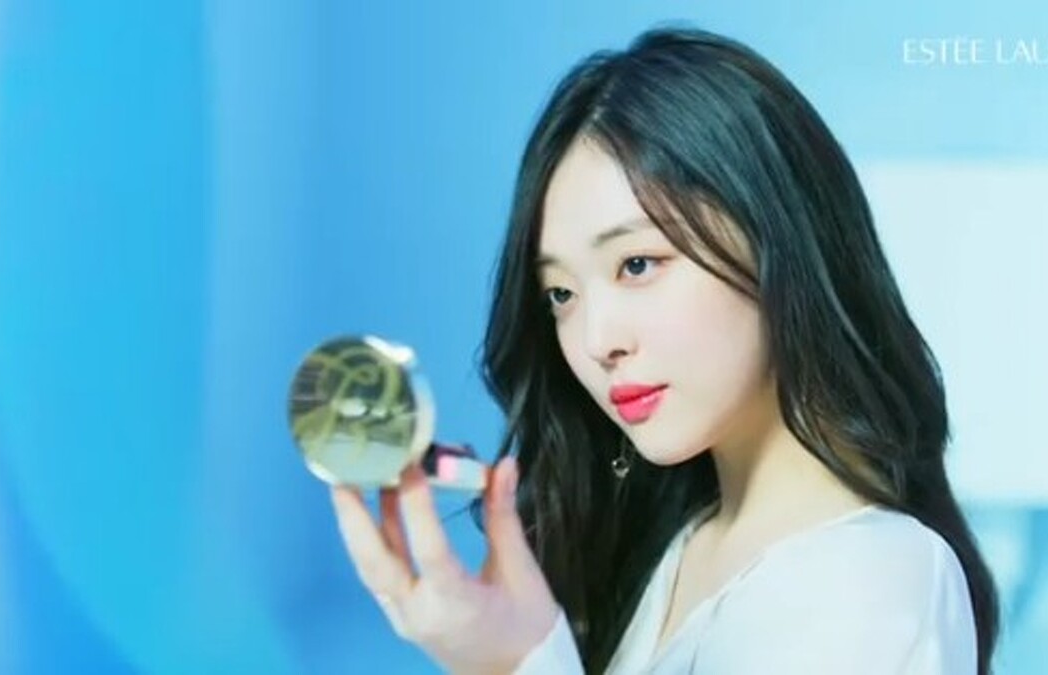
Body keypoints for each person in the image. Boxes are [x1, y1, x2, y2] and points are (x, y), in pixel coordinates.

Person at [329, 25, 1000, 674]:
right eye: (561, 294)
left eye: (637, 265)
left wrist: (517, 662)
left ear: (779, 238)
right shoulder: (678, 545)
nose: (597, 342)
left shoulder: (875, 581)